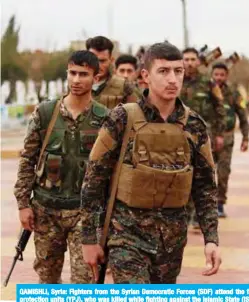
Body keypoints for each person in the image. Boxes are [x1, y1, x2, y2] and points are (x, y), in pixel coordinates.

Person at [81, 42, 221, 284]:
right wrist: (89, 240)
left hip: (172, 243)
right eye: (164, 71)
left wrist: (211, 239)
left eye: (178, 71)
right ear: (145, 76)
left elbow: (205, 187)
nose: (173, 79)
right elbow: (94, 180)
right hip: (126, 237)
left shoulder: (194, 125)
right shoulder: (122, 118)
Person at [14, 50, 108, 283]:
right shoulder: (46, 113)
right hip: (46, 210)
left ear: (96, 78)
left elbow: (111, 171)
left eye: (83, 74)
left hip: (84, 214)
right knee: (47, 279)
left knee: (85, 281)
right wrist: (23, 204)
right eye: (72, 73)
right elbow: (28, 159)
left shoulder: (105, 118)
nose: (76, 80)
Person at [180, 47, 225, 228]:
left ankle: (201, 215)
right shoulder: (175, 81)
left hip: (203, 136)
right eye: (186, 59)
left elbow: (219, 107)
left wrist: (220, 133)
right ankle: (186, 213)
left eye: (193, 59)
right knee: (184, 174)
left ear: (199, 62)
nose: (190, 63)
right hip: (180, 136)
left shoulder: (209, 83)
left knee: (202, 175)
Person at [211, 63, 249, 217]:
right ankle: (204, 204)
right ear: (212, 75)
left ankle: (220, 203)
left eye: (222, 75)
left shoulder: (233, 93)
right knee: (204, 173)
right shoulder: (206, 90)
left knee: (223, 172)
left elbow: (243, 115)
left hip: (227, 137)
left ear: (226, 76)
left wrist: (245, 137)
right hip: (206, 137)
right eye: (216, 74)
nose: (219, 78)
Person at [86, 36, 138, 108]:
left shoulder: (124, 86)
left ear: (111, 60)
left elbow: (135, 114)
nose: (97, 65)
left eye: (102, 61)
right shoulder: (76, 83)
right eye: (93, 60)